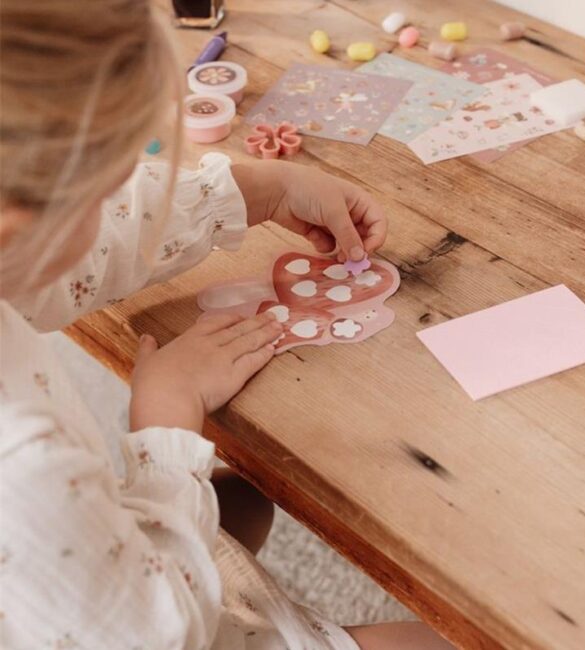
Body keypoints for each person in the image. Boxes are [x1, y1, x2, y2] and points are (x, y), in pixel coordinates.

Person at [0, 1, 454, 648]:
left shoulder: (11, 257)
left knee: (244, 496)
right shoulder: (19, 465)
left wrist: (254, 190)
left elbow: (79, 255)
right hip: (154, 624)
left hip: (86, 571)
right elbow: (154, 633)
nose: (121, 199)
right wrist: (164, 419)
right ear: (20, 228)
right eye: (106, 188)